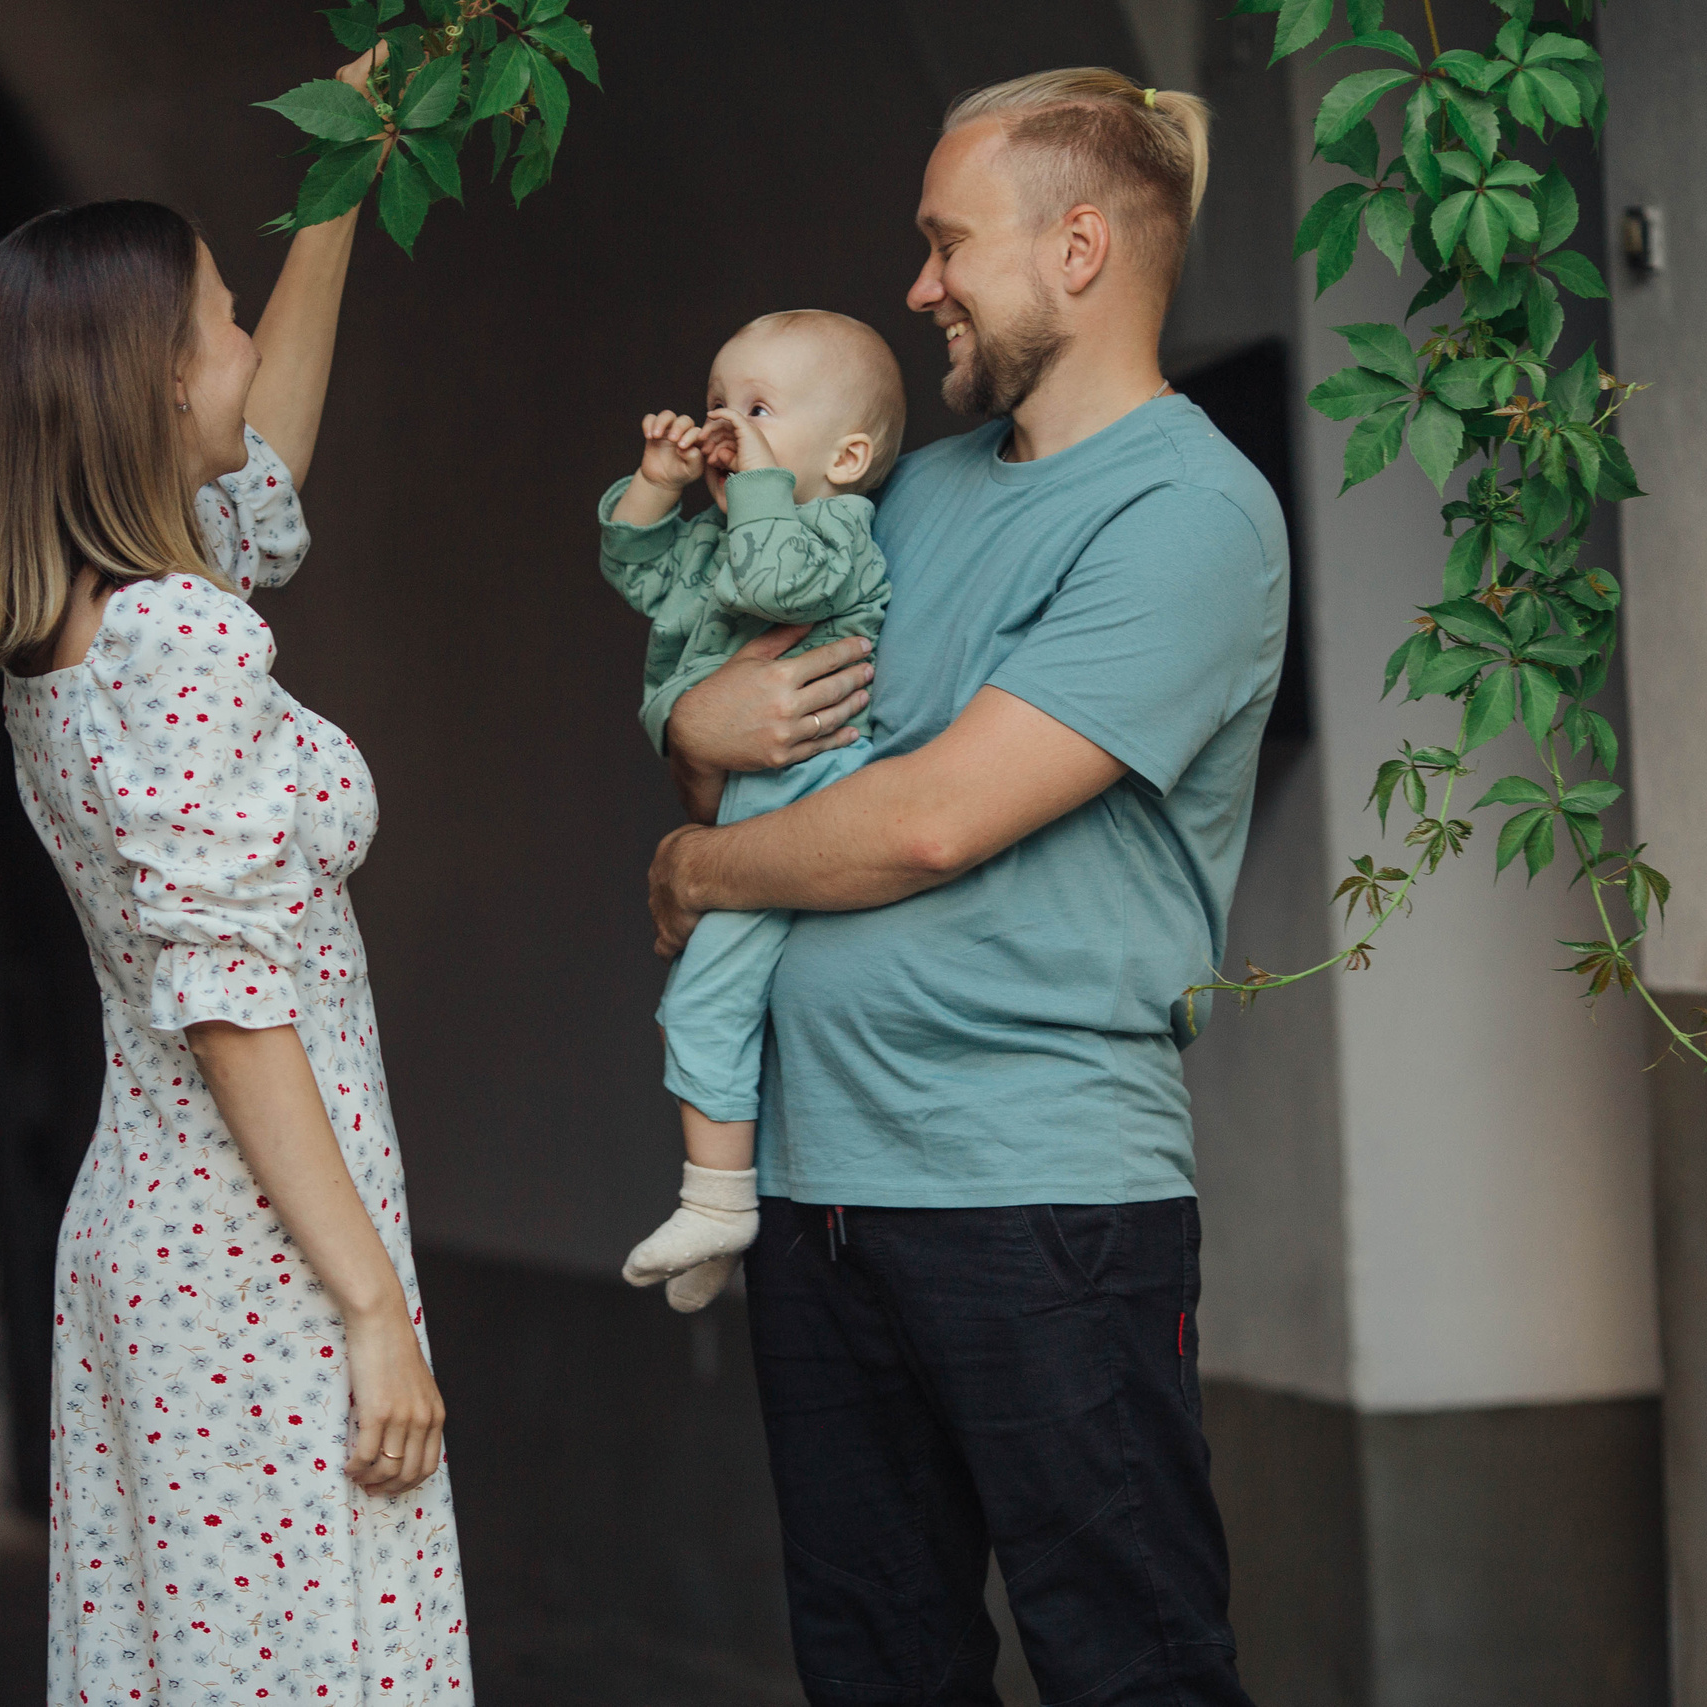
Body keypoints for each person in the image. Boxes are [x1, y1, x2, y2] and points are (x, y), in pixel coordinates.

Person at [647, 69, 1284, 1706]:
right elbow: (765, 748)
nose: (918, 284)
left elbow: (929, 820)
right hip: (820, 1192)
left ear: (1080, 248)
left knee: (1127, 1665)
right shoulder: (909, 496)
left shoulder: (1190, 512)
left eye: (947, 245)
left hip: (1043, 1198)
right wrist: (697, 735)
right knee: (878, 1670)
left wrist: (696, 860)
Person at [0, 52, 471, 1707]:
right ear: (155, 380)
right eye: (217, 319)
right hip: (255, 1255)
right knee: (321, 1665)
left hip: (158, 1244)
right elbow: (233, 1002)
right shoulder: (181, 642)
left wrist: (352, 169)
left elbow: (265, 452)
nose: (241, 343)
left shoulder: (90, 627)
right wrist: (369, 1298)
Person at [595, 311, 904, 1313]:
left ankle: (718, 1203)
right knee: (715, 999)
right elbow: (632, 569)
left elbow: (774, 581)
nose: (727, 427)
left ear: (847, 458)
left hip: (805, 794)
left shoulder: (831, 534)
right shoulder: (713, 538)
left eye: (760, 409)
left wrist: (755, 485)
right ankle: (723, 1209)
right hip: (756, 795)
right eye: (718, 402)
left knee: (703, 999)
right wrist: (658, 480)